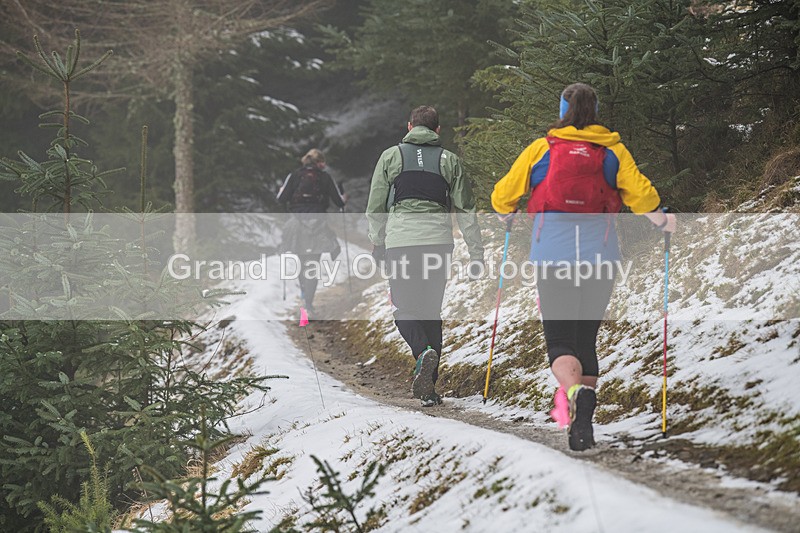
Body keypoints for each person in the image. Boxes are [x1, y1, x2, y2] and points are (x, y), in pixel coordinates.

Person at [491, 83, 676, 450]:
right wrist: (662, 221)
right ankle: (582, 425)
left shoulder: (542, 148)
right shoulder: (612, 152)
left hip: (552, 258)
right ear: (596, 110)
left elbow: (503, 195)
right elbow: (643, 196)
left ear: (563, 111)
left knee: (560, 342)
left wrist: (506, 213)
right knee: (586, 339)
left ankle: (575, 392)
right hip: (600, 257)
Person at [366, 106, 484, 407]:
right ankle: (428, 390)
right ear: (438, 130)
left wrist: (377, 242)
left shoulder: (390, 157)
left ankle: (422, 354)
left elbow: (376, 205)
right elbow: (467, 210)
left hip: (402, 244)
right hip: (438, 245)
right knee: (432, 313)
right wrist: (476, 253)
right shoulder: (449, 160)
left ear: (409, 127)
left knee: (404, 308)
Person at [277, 148, 345, 314]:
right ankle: (308, 303)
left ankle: (303, 294)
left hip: (297, 223)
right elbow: (339, 202)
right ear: (319, 163)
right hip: (318, 225)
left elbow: (281, 199)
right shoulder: (325, 177)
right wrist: (343, 197)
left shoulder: (294, 175)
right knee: (313, 264)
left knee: (302, 262)